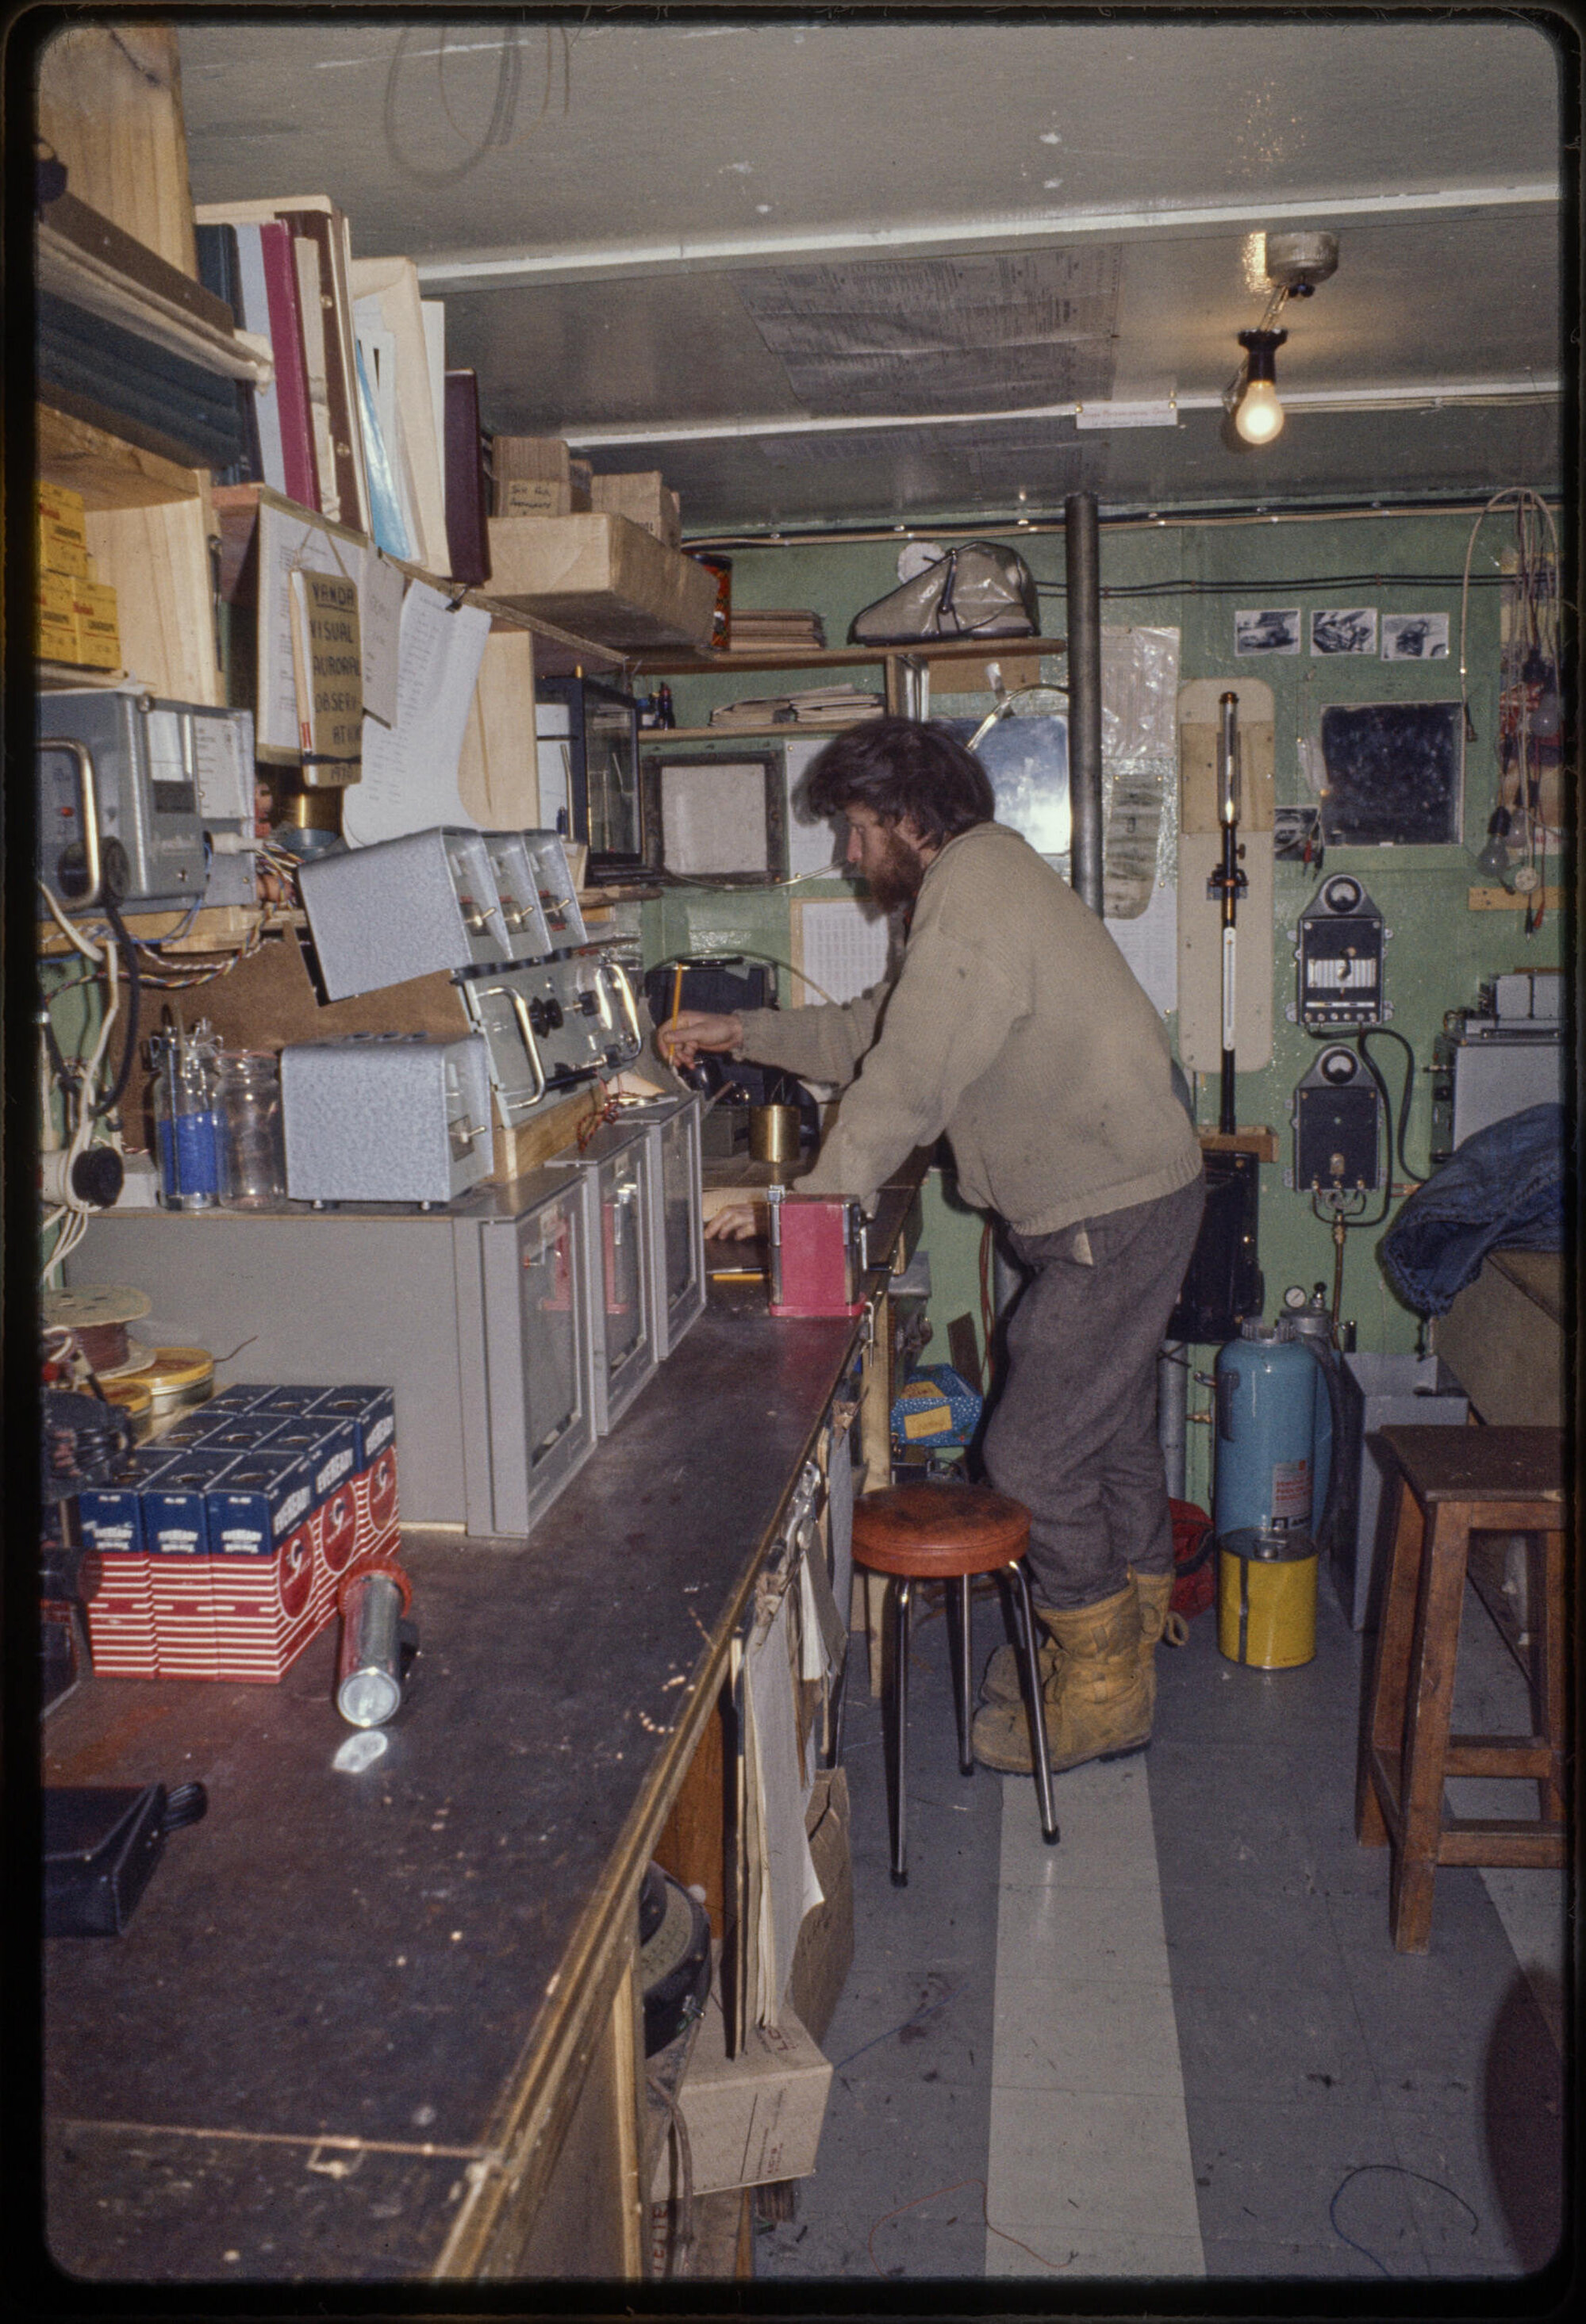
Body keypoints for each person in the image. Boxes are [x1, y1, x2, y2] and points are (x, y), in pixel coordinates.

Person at [661, 717, 1204, 1778]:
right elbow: (879, 1026)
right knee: (1111, 1431)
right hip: (1128, 1197)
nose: (850, 855)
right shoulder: (974, 883)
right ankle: (1121, 1638)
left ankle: (1104, 1687)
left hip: (1112, 1209)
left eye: (859, 830)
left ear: (911, 818)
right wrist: (750, 1032)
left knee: (1035, 1456)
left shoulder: (975, 888)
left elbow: (904, 1081)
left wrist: (805, 1210)